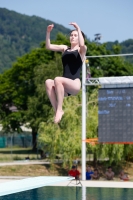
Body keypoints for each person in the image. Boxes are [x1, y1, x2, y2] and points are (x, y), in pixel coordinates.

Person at [45, 22, 87, 123]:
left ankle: (59, 110)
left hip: (74, 84)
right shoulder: (65, 48)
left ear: (80, 37)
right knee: (48, 82)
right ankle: (57, 111)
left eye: (75, 35)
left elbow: (82, 44)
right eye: (71, 35)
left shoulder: (82, 51)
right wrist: (48, 32)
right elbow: (48, 46)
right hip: (63, 88)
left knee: (57, 79)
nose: (72, 37)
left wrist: (78, 27)